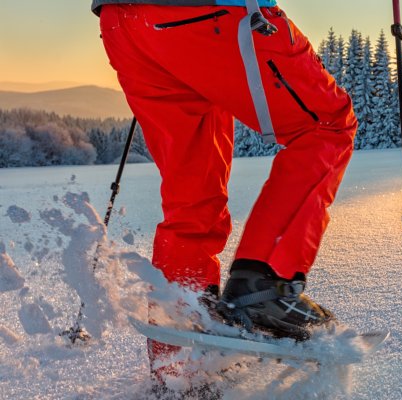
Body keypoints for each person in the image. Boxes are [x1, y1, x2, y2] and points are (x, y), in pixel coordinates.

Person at [91, 0, 357, 392]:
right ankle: (264, 285)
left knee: (192, 188)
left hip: (123, 23)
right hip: (208, 14)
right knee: (327, 125)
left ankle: (180, 358)